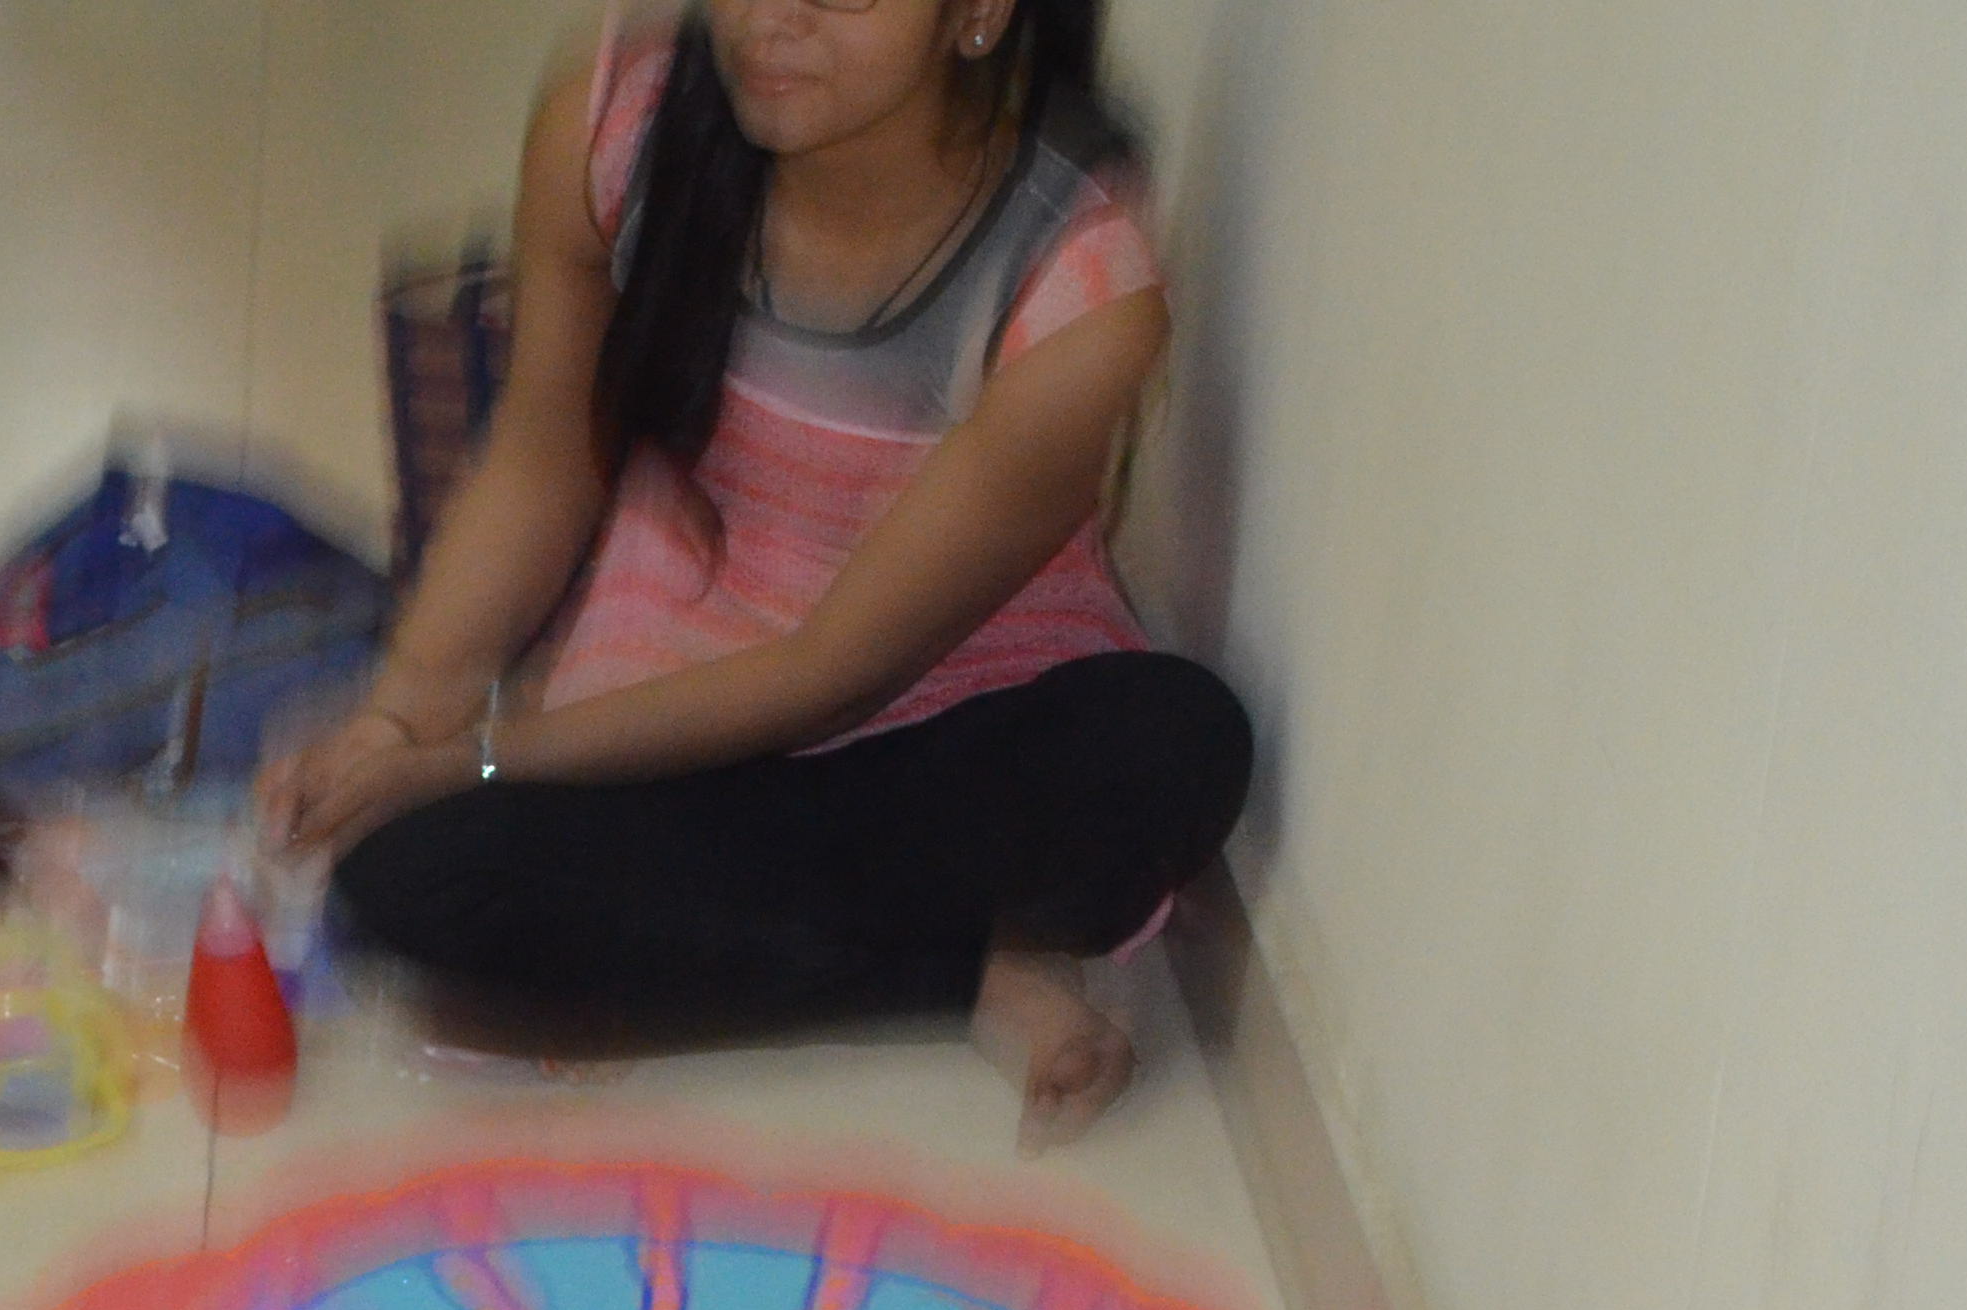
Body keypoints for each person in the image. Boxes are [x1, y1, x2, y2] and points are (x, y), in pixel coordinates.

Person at [260, 0, 1247, 1139]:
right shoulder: (616, 127)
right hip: (666, 715)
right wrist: (396, 719)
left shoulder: (1078, 284)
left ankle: (769, 944)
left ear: (976, 13)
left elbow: (826, 673)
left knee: (1171, 743)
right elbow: (542, 455)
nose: (770, 18)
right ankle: (952, 970)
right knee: (404, 875)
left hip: (933, 730)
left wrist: (474, 758)